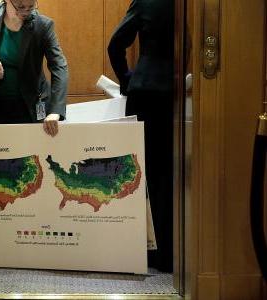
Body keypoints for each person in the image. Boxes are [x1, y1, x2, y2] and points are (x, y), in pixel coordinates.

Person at [108, 0, 174, 272]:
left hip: (146, 88)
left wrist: (126, 78)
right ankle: (167, 254)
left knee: (139, 171)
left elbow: (115, 44)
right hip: (172, 88)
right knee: (166, 174)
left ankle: (137, 250)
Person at [0, 0, 68, 137]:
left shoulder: (43, 25)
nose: (25, 12)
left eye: (31, 7)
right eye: (20, 7)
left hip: (29, 107)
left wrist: (55, 111)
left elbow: (59, 66)